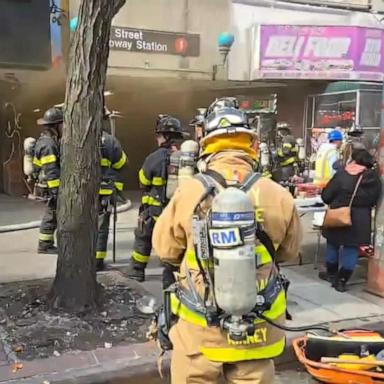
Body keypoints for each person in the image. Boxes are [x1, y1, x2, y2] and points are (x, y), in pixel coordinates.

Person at [152, 107, 302, 384]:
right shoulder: (278, 194)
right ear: (252, 145)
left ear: (207, 145)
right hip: (258, 326)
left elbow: (166, 249)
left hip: (200, 326)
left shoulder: (190, 190)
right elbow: (289, 252)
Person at [126, 114, 185, 282]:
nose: (157, 139)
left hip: (154, 210)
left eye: (159, 136)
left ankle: (137, 270)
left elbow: (143, 180)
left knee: (143, 238)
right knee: (173, 240)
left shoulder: (154, 157)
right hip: (175, 210)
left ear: (164, 136)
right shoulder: (184, 158)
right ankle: (172, 272)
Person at [319, 149, 381, 292]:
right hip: (361, 220)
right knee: (351, 249)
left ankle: (331, 274)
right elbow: (374, 200)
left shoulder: (342, 175)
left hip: (338, 215)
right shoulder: (374, 178)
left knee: (333, 244)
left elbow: (326, 196)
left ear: (353, 160)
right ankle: (342, 280)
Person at [96, 108, 128, 271]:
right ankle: (97, 261)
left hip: (81, 195)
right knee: (101, 228)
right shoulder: (110, 141)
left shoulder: (75, 138)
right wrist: (116, 188)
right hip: (104, 193)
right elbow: (121, 164)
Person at [33, 107, 63, 254]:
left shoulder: (46, 141)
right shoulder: (48, 145)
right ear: (55, 126)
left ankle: (46, 242)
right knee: (52, 214)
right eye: (62, 124)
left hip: (47, 185)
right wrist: (56, 191)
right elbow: (51, 170)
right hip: (50, 186)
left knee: (52, 214)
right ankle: (44, 245)